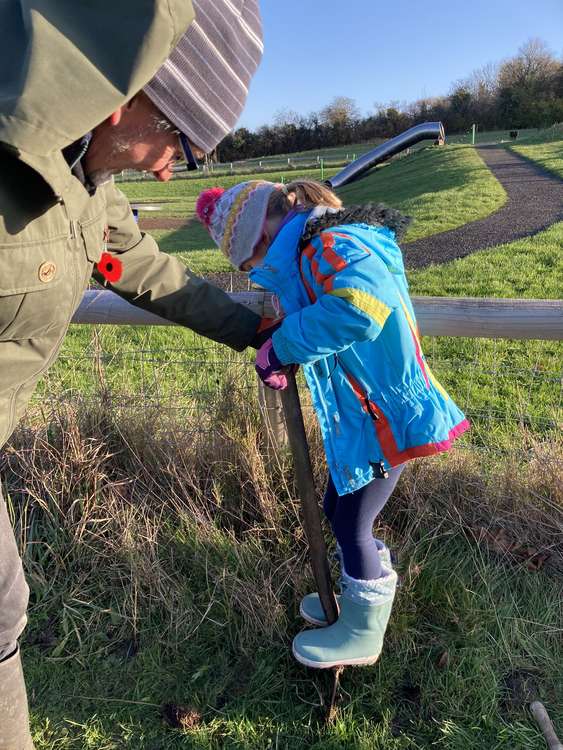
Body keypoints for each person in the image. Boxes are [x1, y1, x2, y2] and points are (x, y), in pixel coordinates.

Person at [0, 2, 268, 747]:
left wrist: (254, 330)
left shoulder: (88, 177)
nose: (180, 162)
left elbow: (140, 267)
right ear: (128, 95)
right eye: (181, 137)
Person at [196, 179, 470, 669]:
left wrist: (283, 346)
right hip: (367, 412)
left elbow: (356, 309)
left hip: (386, 413)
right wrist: (285, 341)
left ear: (264, 235)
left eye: (252, 262)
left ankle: (364, 633)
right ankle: (354, 595)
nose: (259, 271)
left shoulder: (329, 244)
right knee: (336, 507)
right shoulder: (320, 244)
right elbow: (329, 310)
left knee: (353, 524)